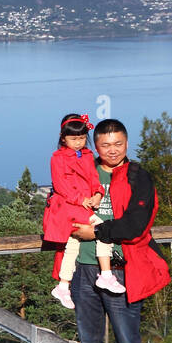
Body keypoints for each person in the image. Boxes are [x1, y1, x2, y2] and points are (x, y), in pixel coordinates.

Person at [61, 118, 171, 343]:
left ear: (127, 143)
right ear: (96, 145)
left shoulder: (138, 176)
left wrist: (95, 230)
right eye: (106, 145)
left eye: (118, 144)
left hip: (123, 268)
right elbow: (62, 204)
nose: (112, 150)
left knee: (128, 342)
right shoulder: (81, 169)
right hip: (83, 266)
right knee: (87, 341)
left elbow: (136, 224)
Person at [44, 113, 124, 310]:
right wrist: (82, 199)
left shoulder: (87, 155)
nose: (78, 143)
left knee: (72, 245)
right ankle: (105, 275)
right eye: (73, 139)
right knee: (103, 229)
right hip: (69, 206)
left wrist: (97, 193)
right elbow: (60, 185)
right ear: (63, 138)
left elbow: (92, 178)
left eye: (81, 138)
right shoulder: (58, 158)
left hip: (83, 204)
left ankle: (63, 285)